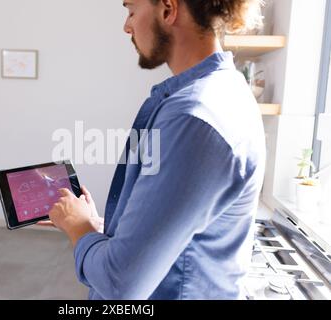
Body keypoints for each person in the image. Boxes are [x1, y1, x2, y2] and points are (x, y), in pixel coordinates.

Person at [42, 0, 266, 300]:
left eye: (131, 10)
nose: (127, 26)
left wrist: (78, 227)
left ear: (168, 9)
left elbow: (120, 282)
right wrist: (99, 229)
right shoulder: (226, 90)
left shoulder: (193, 118)